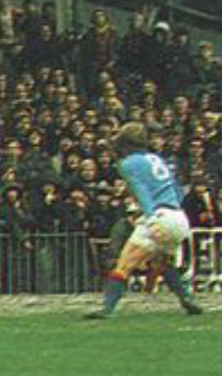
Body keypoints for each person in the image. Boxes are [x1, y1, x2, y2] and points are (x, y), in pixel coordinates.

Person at [84, 122, 202, 319]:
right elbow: (177, 189)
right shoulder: (156, 158)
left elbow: (141, 192)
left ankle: (107, 309)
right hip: (179, 216)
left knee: (124, 264)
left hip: (158, 216)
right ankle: (186, 298)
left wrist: (151, 217)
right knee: (162, 262)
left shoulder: (127, 164)